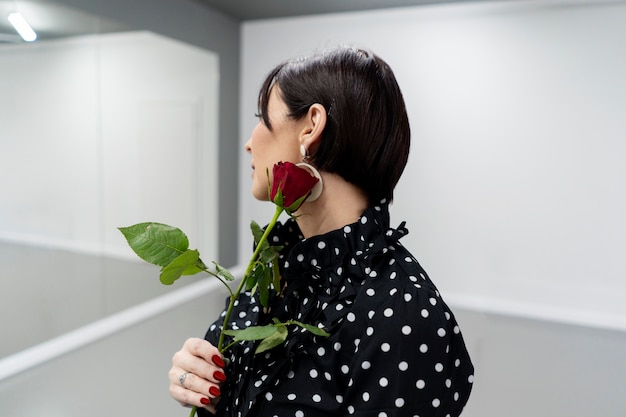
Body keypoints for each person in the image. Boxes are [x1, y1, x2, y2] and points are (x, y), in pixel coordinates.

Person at [168, 45, 474, 417]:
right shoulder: (278, 266)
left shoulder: (403, 311)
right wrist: (198, 378)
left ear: (311, 126)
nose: (249, 142)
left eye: (262, 117)